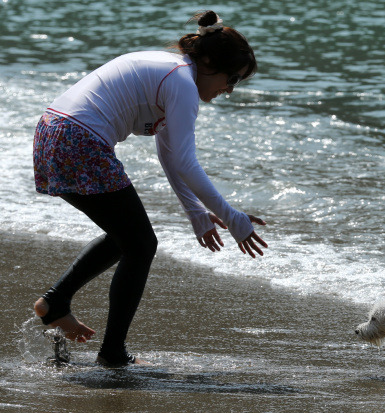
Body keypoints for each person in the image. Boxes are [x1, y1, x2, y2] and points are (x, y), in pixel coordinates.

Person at [32, 10, 267, 366]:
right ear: (206, 61)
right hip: (80, 140)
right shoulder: (182, 82)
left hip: (52, 131)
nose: (229, 90)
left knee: (128, 235)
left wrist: (197, 215)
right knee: (141, 243)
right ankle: (111, 352)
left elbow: (171, 156)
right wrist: (231, 218)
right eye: (231, 78)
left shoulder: (173, 73)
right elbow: (185, 162)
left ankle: (56, 302)